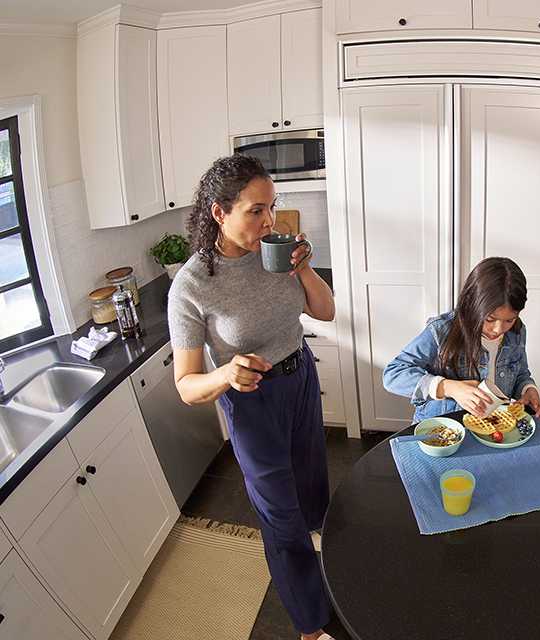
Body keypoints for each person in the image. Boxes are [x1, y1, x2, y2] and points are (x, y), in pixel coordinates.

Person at [167, 155, 337, 640]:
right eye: (256, 211)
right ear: (220, 213)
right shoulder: (192, 286)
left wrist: (303, 270)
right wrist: (224, 374)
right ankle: (310, 626)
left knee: (310, 486)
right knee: (279, 515)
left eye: (272, 208)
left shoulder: (276, 252)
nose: (270, 222)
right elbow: (186, 385)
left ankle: (323, 566)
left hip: (300, 378)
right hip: (251, 399)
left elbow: (323, 311)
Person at [383, 257, 540, 421]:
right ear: (472, 303)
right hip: (443, 428)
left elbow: (520, 373)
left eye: (509, 320)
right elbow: (393, 375)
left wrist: (528, 389)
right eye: (489, 319)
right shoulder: (442, 330)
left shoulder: (517, 332)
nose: (498, 329)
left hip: (493, 427)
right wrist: (448, 387)